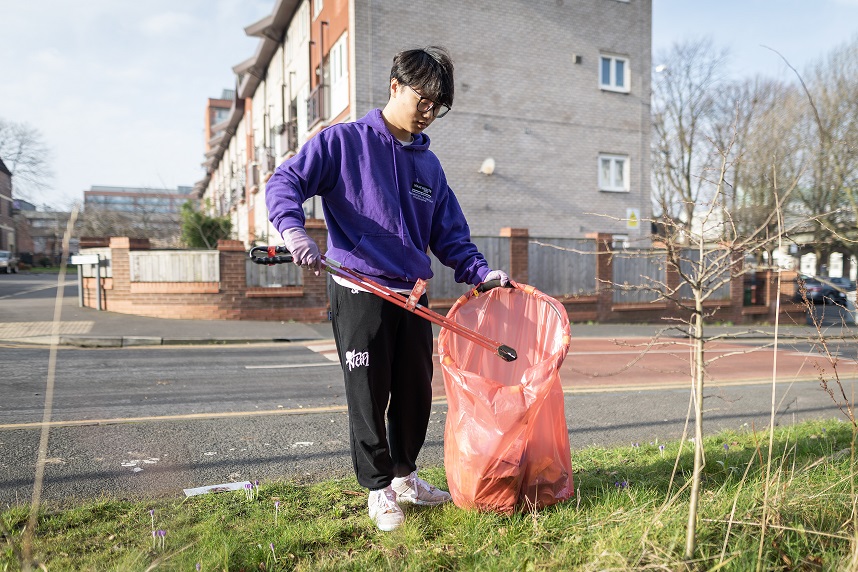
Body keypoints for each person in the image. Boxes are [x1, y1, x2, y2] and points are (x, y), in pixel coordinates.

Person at [265, 46, 509, 532]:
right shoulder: (344, 142)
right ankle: (378, 490)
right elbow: (284, 181)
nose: (428, 114)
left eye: (437, 107)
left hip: (413, 294)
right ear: (395, 86)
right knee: (369, 393)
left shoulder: (428, 166)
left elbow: (450, 234)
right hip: (359, 289)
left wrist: (479, 272)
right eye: (423, 100)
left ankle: (404, 477)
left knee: (416, 391)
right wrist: (294, 231)